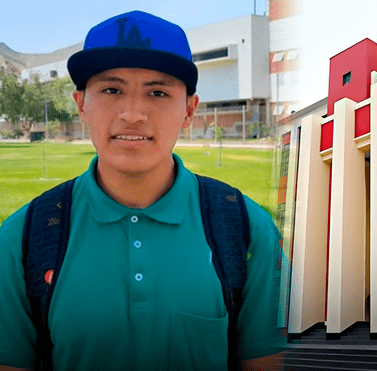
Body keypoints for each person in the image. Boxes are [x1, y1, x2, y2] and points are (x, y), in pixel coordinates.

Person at [0, 11, 283, 371]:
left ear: (189, 110)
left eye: (158, 92)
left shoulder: (248, 231)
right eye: (111, 89)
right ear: (81, 104)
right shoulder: (22, 238)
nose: (133, 113)